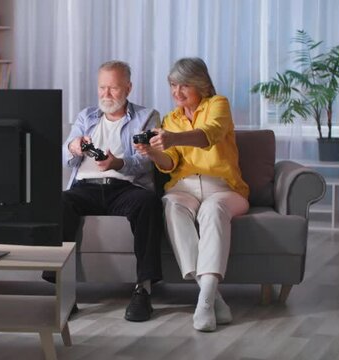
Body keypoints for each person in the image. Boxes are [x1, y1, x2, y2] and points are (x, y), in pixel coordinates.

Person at [135, 57, 249, 331]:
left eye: (184, 85)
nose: (177, 92)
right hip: (183, 187)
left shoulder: (218, 104)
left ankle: (205, 304)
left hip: (223, 187)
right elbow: (170, 163)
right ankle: (211, 299)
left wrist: (173, 139)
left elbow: (209, 134)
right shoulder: (170, 119)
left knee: (213, 210)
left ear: (202, 84)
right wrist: (153, 153)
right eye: (173, 85)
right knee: (170, 206)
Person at [60, 60, 163, 322]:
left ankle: (143, 290)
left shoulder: (147, 116)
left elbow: (148, 160)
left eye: (113, 88)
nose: (106, 94)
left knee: (148, 203)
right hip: (85, 187)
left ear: (128, 88)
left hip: (125, 186)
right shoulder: (87, 116)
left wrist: (117, 162)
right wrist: (74, 146)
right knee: (60, 202)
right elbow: (65, 156)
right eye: (102, 88)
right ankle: (63, 290)